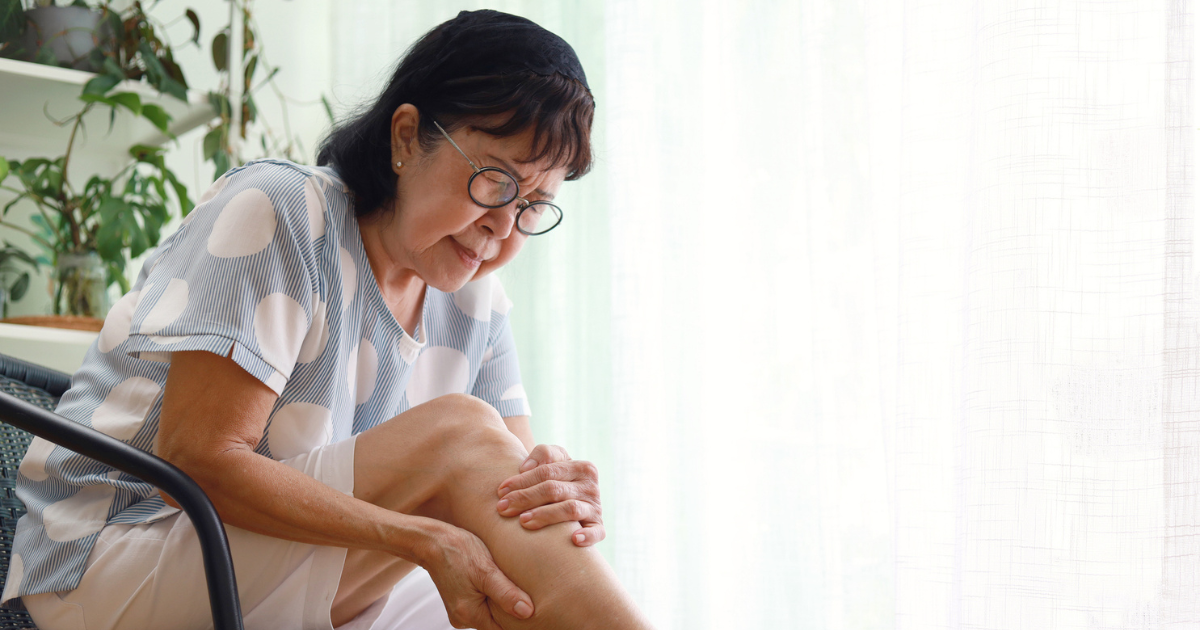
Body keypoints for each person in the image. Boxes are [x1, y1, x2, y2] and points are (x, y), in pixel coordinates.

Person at [4, 10, 654, 630]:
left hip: (277, 559)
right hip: (113, 560)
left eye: (535, 206)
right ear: (407, 138)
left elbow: (511, 495)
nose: (504, 228)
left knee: (513, 596)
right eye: (495, 181)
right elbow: (198, 463)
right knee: (462, 439)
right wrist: (420, 538)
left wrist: (557, 487)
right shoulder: (281, 210)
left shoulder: (477, 299)